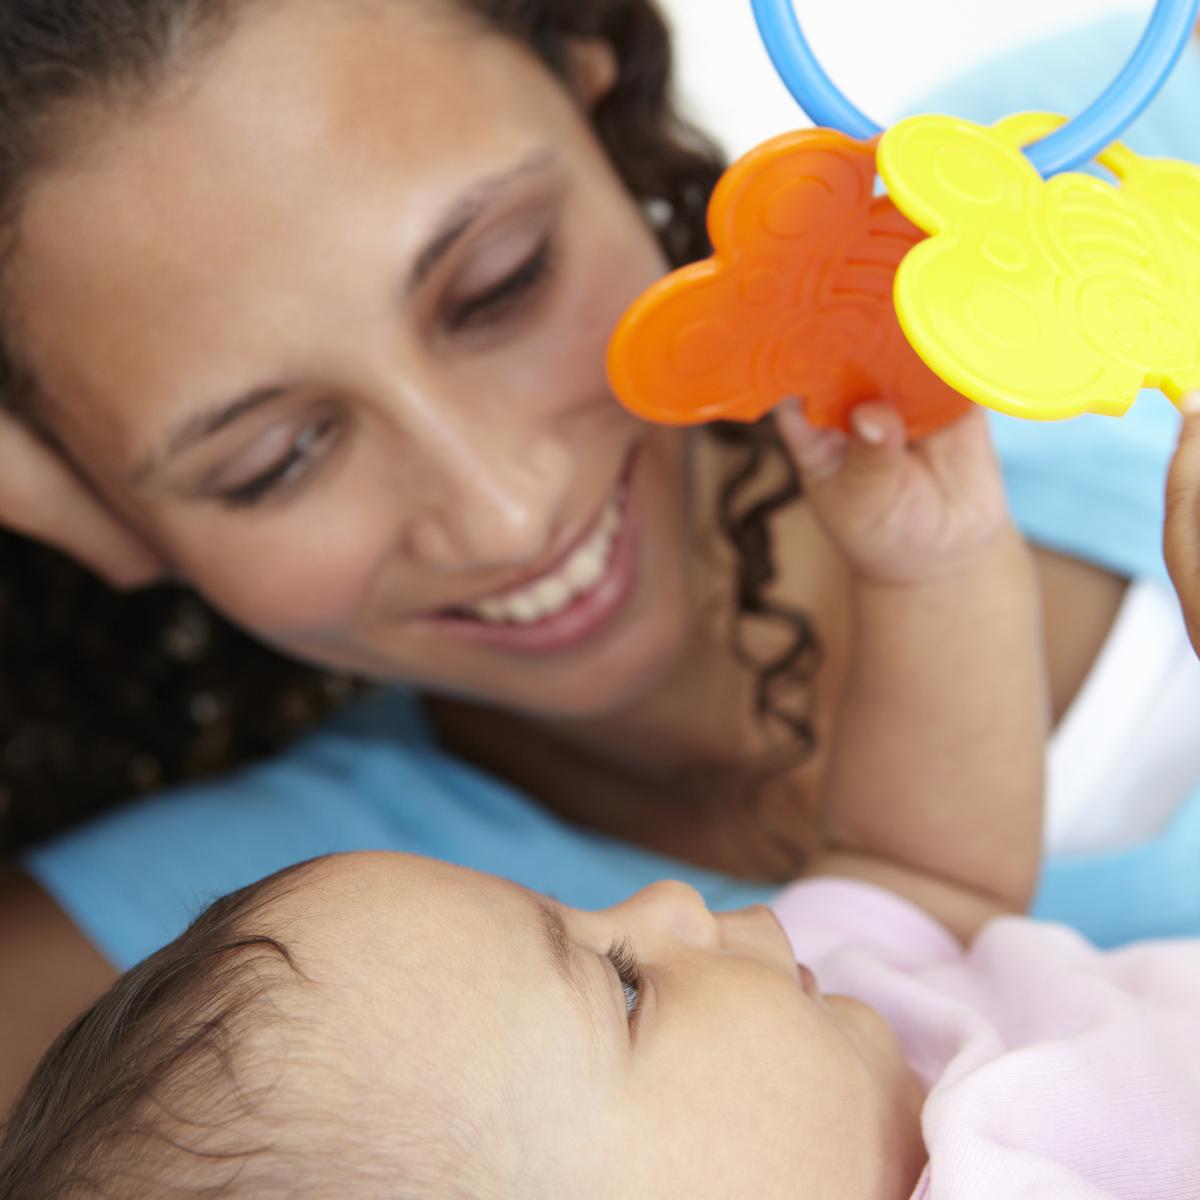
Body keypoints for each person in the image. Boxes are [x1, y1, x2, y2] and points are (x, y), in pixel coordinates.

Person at [1, 0, 1199, 1103]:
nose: (503, 514)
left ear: (590, 83)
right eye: (273, 460)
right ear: (81, 500)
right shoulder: (177, 1013)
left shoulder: (1139, 158)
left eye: (501, 284)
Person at [6, 400, 1200, 1199]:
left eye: (586, 918)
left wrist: (934, 565)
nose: (673, 903)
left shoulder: (841, 1017)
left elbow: (923, 868)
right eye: (623, 983)